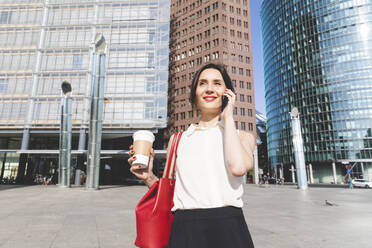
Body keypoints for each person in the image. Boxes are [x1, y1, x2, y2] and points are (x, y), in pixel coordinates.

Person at [128, 63, 256, 248]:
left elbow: (237, 167)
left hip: (230, 226)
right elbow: (171, 194)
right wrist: (148, 176)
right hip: (185, 228)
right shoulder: (178, 139)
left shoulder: (242, 137)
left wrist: (228, 117)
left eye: (217, 83)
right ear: (195, 94)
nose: (210, 88)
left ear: (227, 92)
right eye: (203, 83)